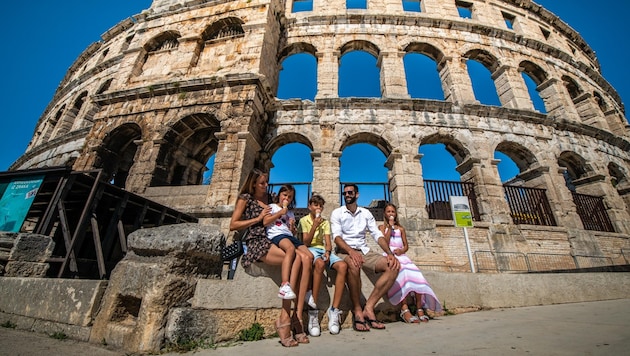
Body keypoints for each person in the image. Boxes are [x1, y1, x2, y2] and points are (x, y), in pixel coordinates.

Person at [229, 169, 313, 347]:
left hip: (273, 239)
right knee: (295, 259)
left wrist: (290, 226)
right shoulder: (246, 198)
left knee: (302, 258)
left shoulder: (270, 197)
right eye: (262, 183)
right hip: (258, 241)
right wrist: (258, 219)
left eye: (266, 182)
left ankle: (293, 317)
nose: (266, 186)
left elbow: (281, 215)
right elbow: (233, 225)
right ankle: (286, 319)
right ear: (253, 184)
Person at [330, 184, 400, 332]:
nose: (347, 194)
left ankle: (369, 307)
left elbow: (376, 234)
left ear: (357, 194)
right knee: (354, 265)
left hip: (364, 250)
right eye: (345, 192)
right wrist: (350, 251)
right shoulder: (337, 213)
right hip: (344, 250)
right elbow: (336, 237)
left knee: (393, 266)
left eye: (350, 192)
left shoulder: (366, 213)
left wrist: (389, 253)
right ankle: (357, 310)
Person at [378, 203, 442, 323]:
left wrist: (402, 250)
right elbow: (384, 242)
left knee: (417, 276)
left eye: (393, 211)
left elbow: (406, 245)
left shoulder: (401, 229)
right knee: (403, 274)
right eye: (388, 212)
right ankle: (404, 309)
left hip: (402, 256)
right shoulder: (382, 228)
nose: (391, 214)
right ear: (385, 214)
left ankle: (419, 308)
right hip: (389, 255)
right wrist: (390, 228)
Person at [297, 194, 347, 336]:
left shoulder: (325, 222)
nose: (318, 208)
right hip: (310, 249)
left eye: (320, 206)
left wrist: (328, 252)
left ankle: (334, 310)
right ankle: (313, 310)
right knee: (318, 264)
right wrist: (315, 225)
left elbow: (328, 241)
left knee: (342, 266)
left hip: (322, 249)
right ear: (309, 207)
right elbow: (305, 242)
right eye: (315, 205)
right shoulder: (303, 220)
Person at [264, 184, 306, 300]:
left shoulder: (290, 213)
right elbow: (265, 221)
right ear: (279, 195)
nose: (286, 199)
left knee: (308, 255)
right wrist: (279, 213)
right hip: (276, 234)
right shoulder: (272, 207)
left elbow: (291, 233)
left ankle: (307, 289)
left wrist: (292, 227)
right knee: (290, 249)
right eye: (284, 195)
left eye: (290, 197)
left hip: (288, 236)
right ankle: (284, 285)